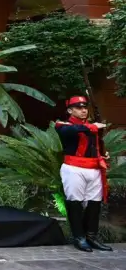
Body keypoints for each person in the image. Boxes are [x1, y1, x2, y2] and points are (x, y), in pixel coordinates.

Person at [55, 95, 112, 252]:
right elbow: (72, 130)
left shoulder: (91, 126)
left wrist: (102, 154)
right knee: (75, 202)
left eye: (85, 107)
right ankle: (79, 237)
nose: (83, 110)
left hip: (94, 168)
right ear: (70, 110)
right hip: (74, 169)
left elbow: (95, 145)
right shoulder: (63, 125)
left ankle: (91, 236)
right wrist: (92, 127)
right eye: (78, 108)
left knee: (95, 203)